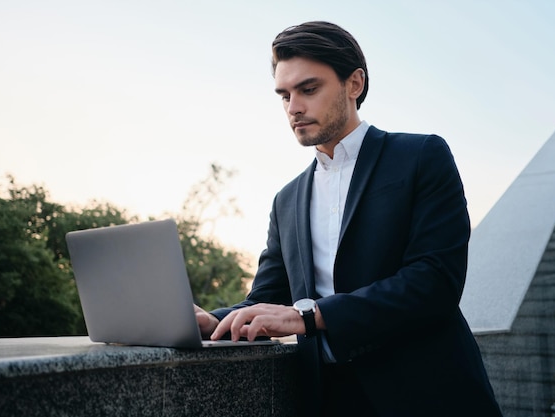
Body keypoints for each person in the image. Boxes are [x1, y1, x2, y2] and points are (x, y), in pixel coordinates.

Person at [195, 21, 503, 417]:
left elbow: (435, 281)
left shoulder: (422, 156)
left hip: (429, 393)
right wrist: (209, 322)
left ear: (354, 84)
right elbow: (268, 299)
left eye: (308, 89)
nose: (294, 108)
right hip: (327, 398)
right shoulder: (285, 200)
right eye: (284, 95)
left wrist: (311, 316)